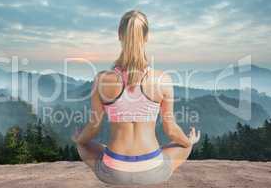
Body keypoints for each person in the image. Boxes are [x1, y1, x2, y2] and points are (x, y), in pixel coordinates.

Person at [71, 10, 200, 185]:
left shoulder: (101, 80)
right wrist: (189, 140)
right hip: (152, 169)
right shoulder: (163, 79)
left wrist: (79, 139)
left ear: (119, 35)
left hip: (113, 170)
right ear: (146, 37)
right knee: (185, 145)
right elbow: (171, 130)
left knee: (83, 145)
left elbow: (93, 128)